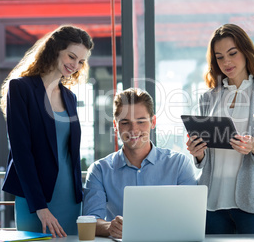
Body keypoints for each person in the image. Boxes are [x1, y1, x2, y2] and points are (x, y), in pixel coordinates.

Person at [186, 24, 254, 234]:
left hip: (253, 200)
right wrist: (198, 153)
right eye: (219, 57)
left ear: (246, 52)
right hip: (212, 202)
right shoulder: (208, 98)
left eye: (232, 53)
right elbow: (203, 159)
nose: (226, 62)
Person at [0, 25, 94, 237]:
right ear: (55, 49)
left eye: (81, 61)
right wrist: (40, 208)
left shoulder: (69, 97)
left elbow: (69, 152)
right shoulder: (20, 88)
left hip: (70, 197)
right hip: (35, 198)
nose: (75, 65)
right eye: (71, 56)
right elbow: (20, 152)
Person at [82, 88, 197, 239]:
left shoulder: (179, 164)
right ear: (116, 126)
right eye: (125, 123)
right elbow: (90, 221)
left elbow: (191, 218)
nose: (133, 129)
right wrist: (111, 227)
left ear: (153, 122)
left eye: (141, 122)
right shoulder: (99, 170)